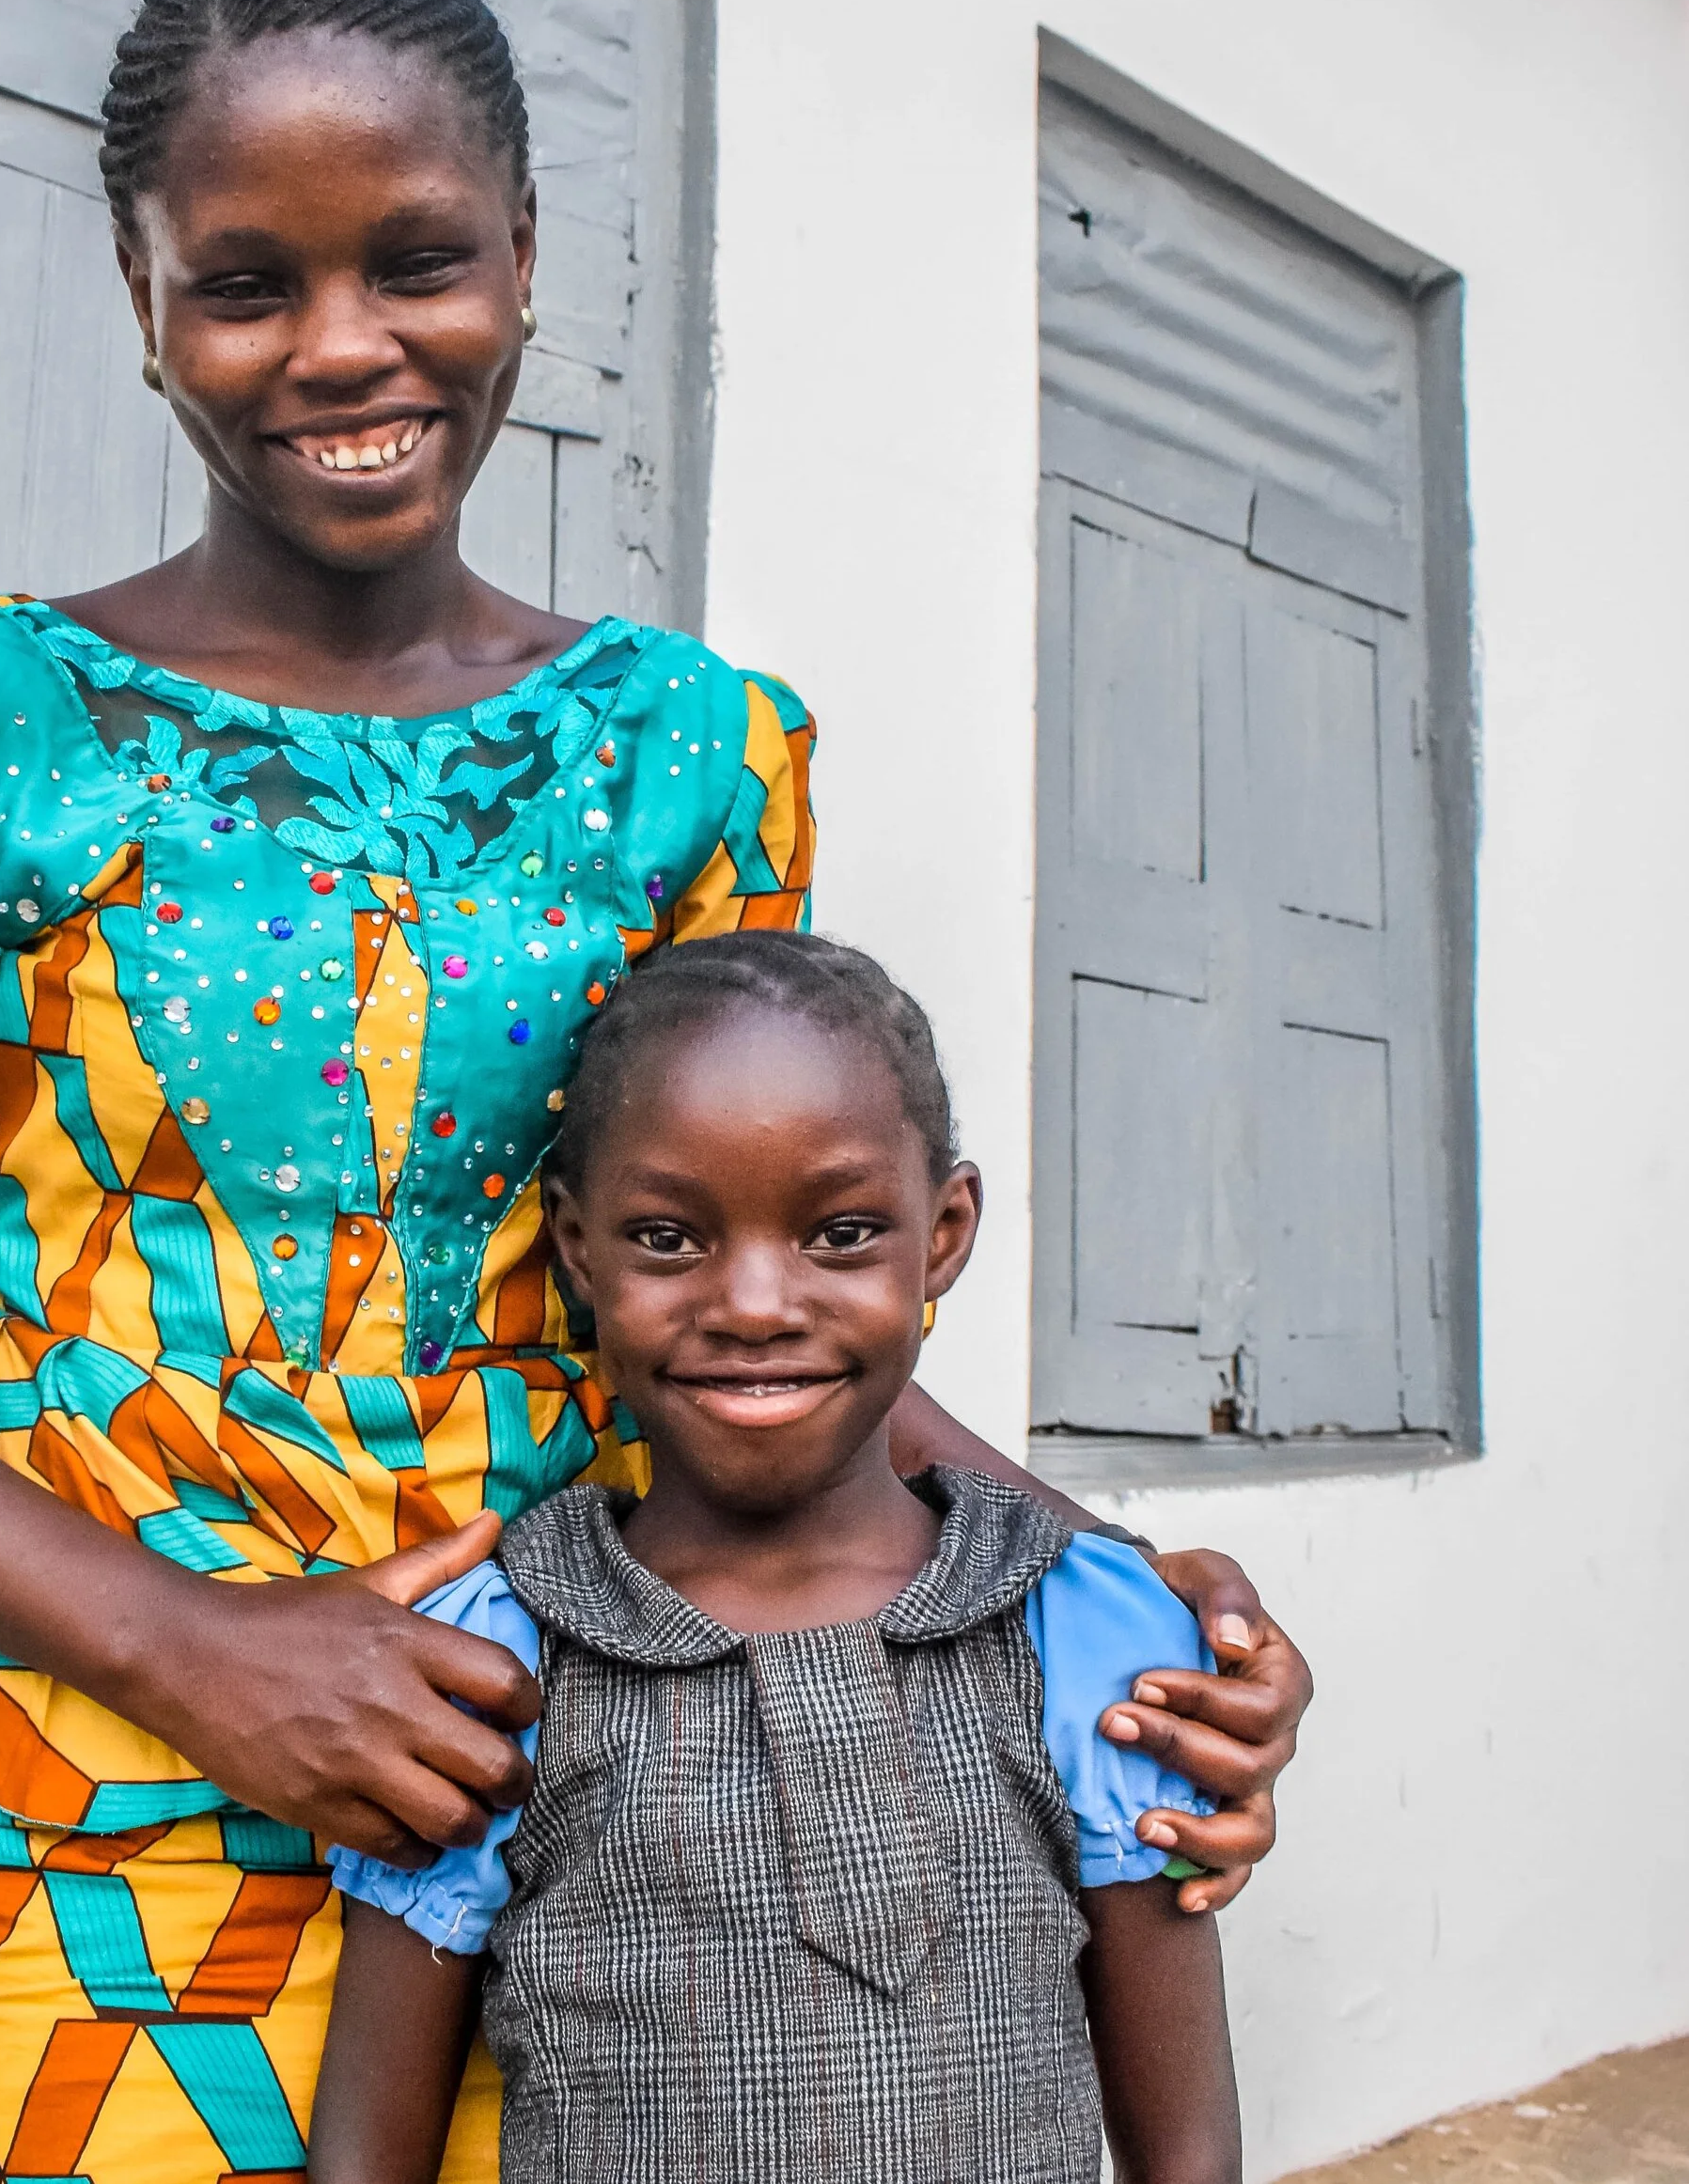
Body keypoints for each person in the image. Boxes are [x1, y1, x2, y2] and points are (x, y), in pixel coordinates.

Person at [0, 0, 1303, 2184]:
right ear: (141, 302)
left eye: (419, 261)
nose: (342, 346)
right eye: (245, 280)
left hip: (605, 1790)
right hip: (95, 1813)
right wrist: (200, 1648)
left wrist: (1133, 1605)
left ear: (526, 263)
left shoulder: (685, 750)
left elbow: (750, 1285)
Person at [311, 932, 1242, 2184]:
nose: (754, 1302)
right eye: (668, 1237)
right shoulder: (498, 1653)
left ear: (945, 1233)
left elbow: (1187, 2149)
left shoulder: (1082, 1626)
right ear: (579, 1250)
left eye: (843, 1230)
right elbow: (369, 2153)